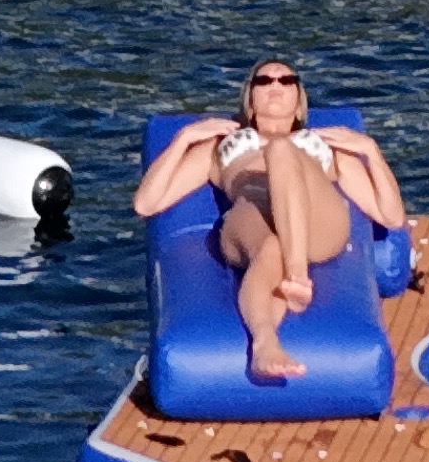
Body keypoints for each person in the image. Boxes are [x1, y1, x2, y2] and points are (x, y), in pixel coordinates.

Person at [137, 59, 407, 381]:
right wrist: (183, 138)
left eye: (285, 80)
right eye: (263, 81)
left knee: (281, 149)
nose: (275, 86)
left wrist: (371, 151)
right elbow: (146, 203)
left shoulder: (326, 146)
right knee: (270, 249)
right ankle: (265, 343)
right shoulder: (222, 147)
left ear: (299, 97)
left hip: (315, 223)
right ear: (250, 99)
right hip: (252, 217)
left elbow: (391, 215)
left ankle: (296, 275)